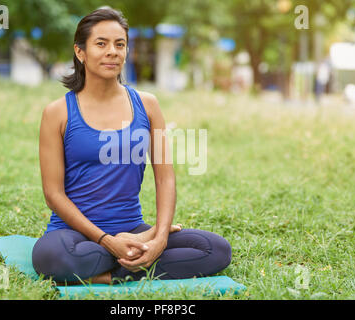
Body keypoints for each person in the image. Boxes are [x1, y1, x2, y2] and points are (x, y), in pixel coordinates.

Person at [32, 7, 232, 285]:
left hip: (133, 229)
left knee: (215, 249)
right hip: (75, 234)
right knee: (50, 257)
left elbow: (165, 178)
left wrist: (159, 237)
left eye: (120, 44)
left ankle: (111, 270)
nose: (112, 51)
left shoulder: (147, 105)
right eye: (101, 44)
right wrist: (107, 241)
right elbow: (53, 194)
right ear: (80, 52)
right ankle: (127, 262)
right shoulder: (57, 113)